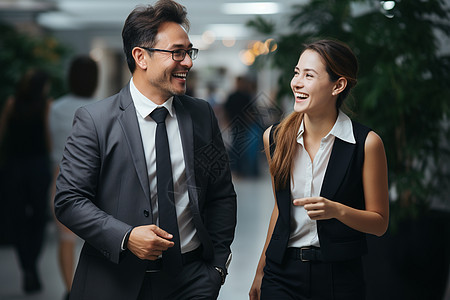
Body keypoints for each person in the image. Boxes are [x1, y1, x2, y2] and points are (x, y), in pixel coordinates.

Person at [53, 1, 237, 299]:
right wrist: (125, 237)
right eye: (177, 52)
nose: (188, 62)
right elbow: (69, 201)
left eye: (189, 52)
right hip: (114, 281)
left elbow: (221, 194)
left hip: (190, 282)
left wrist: (216, 269)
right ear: (141, 56)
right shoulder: (96, 121)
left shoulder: (201, 115)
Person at [249, 39, 389, 300]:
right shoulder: (275, 138)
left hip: (339, 275)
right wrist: (260, 272)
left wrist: (336, 210)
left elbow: (379, 223)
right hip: (282, 273)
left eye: (309, 75)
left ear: (338, 85)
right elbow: (280, 209)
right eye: (296, 72)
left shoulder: (366, 144)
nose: (297, 83)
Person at [49, 55, 99, 300]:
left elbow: (49, 145)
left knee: (66, 238)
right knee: (99, 237)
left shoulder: (55, 108)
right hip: (94, 176)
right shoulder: (100, 108)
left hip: (61, 176)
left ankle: (70, 290)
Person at [0, 69, 52, 294]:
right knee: (39, 217)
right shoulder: (46, 105)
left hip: (14, 166)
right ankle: (32, 265)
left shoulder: (11, 103)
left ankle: (27, 267)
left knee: (18, 218)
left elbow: (1, 135)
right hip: (38, 166)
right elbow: (49, 139)